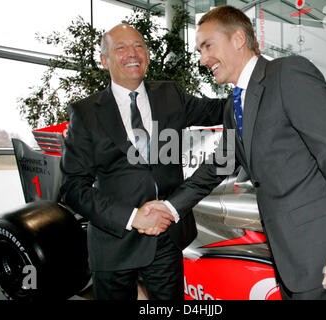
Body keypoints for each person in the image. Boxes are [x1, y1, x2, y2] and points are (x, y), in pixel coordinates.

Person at [145, 5, 326, 300]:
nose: (203, 59)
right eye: (200, 50)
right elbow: (218, 165)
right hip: (292, 262)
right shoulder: (235, 106)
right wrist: (169, 208)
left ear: (238, 39)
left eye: (207, 46)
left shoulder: (288, 74)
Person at [59, 23, 225, 300]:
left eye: (138, 46)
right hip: (114, 241)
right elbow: (73, 187)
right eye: (120, 48)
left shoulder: (171, 95)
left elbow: (220, 110)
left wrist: (254, 83)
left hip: (166, 235)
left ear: (147, 55)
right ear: (104, 60)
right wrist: (132, 217)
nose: (132, 53)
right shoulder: (85, 113)